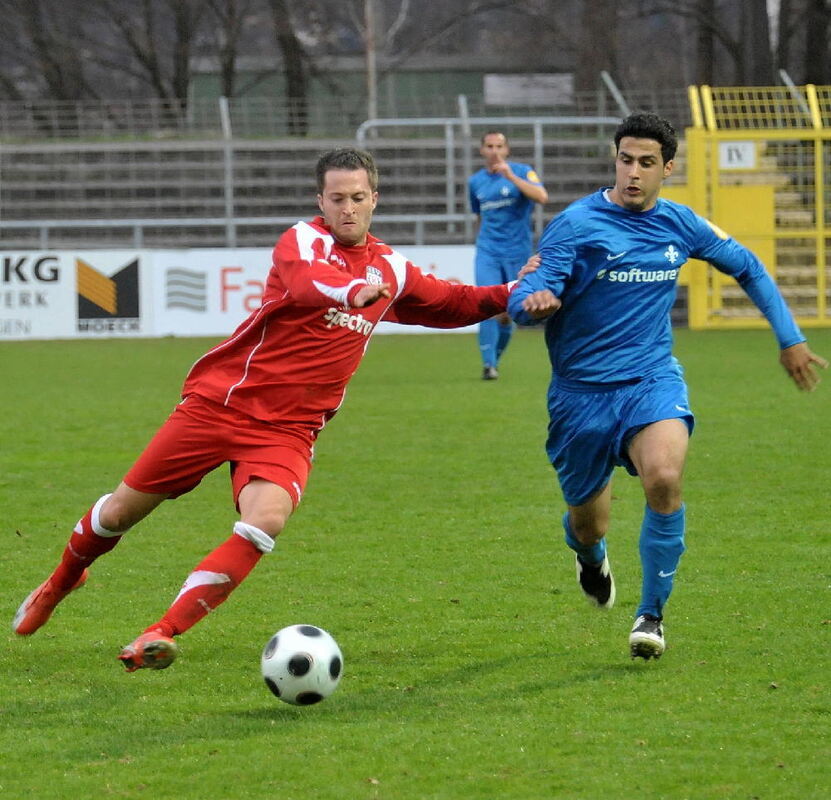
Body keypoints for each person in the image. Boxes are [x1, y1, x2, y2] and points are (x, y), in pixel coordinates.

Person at [13, 147, 558, 672]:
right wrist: (350, 293)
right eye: (337, 198)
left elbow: (450, 302)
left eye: (358, 197)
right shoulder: (302, 242)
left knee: (264, 521)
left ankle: (161, 632)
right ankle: (61, 582)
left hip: (289, 431)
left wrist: (516, 288)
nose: (347, 208)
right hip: (221, 406)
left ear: (375, 200)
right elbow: (305, 284)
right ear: (319, 201)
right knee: (118, 515)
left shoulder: (391, 268)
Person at [508, 112, 827, 660]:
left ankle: (651, 616)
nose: (633, 172)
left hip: (651, 381)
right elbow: (528, 290)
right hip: (580, 396)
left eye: (647, 163)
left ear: (668, 168)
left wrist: (789, 337)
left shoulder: (679, 224)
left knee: (664, 478)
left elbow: (747, 266)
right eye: (625, 160)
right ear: (615, 159)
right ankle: (589, 555)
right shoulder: (577, 225)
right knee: (588, 524)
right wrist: (531, 304)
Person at [469, 130, 548, 380]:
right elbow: (479, 215)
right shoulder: (475, 182)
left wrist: (511, 176)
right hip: (488, 251)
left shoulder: (523, 171)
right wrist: (481, 241)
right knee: (487, 304)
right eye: (489, 146)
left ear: (507, 150)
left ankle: (495, 359)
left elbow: (541, 196)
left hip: (518, 253)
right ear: (482, 150)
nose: (494, 151)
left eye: (499, 146)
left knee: (508, 313)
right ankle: (488, 364)